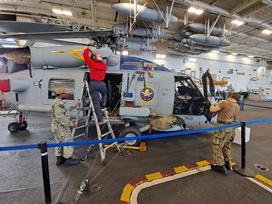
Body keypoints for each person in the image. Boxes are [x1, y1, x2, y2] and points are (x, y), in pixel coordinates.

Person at [210, 92, 240, 174]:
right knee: (227, 145)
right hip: (231, 128)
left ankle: (220, 165)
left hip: (222, 128)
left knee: (216, 145)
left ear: (230, 95)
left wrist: (212, 104)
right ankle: (227, 163)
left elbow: (212, 110)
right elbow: (235, 116)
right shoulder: (237, 106)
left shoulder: (224, 102)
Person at [51, 87, 80, 166]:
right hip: (61, 128)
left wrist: (75, 105)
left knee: (59, 143)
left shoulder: (59, 103)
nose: (67, 95)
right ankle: (68, 160)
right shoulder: (58, 104)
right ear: (61, 94)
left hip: (57, 128)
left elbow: (66, 109)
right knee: (68, 142)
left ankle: (59, 160)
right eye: (66, 93)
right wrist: (71, 123)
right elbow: (60, 118)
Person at [83, 48, 107, 123]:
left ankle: (100, 119)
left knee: (96, 102)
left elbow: (85, 55)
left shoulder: (92, 64)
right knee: (105, 94)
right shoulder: (104, 66)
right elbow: (103, 61)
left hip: (93, 84)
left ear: (94, 59)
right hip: (102, 84)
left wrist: (88, 50)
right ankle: (104, 104)